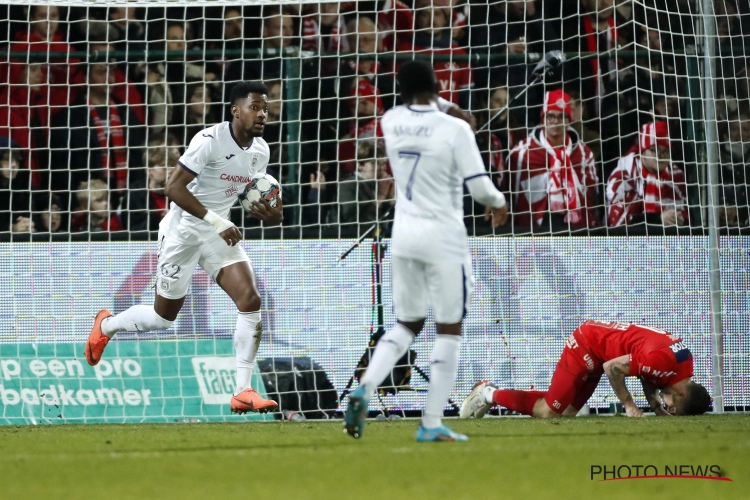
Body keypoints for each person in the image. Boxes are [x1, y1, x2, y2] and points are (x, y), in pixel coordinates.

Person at [84, 81, 283, 416]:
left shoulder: (260, 151)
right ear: (235, 111)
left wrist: (273, 213)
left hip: (218, 234)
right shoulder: (209, 140)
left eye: (265, 107)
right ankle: (107, 325)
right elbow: (172, 187)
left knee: (250, 301)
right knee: (163, 318)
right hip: (183, 232)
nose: (262, 113)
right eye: (254, 107)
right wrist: (217, 222)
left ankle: (242, 390)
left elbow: (254, 195)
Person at [343, 61, 509, 443]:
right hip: (443, 238)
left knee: (406, 323)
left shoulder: (390, 121)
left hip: (403, 236)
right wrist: (499, 203)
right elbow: (481, 188)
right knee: (448, 329)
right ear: (437, 87)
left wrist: (441, 104)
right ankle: (431, 422)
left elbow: (422, 108)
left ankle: (364, 388)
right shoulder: (456, 128)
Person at [460, 320, 711, 419]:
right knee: (548, 412)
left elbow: (649, 374)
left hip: (600, 351)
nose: (669, 408)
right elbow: (613, 368)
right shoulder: (665, 364)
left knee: (564, 415)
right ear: (681, 394)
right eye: (672, 407)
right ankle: (488, 393)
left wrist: (655, 405)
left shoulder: (682, 367)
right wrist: (629, 404)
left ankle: (494, 396)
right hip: (587, 346)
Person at [508, 89, 600, 232]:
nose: (555, 122)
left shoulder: (584, 154)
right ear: (542, 118)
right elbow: (510, 196)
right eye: (550, 116)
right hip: (532, 233)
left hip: (575, 231)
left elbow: (591, 195)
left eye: (561, 117)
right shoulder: (521, 154)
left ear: (570, 119)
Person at [607, 121, 688, 228]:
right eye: (654, 150)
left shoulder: (676, 175)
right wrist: (659, 219)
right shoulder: (623, 176)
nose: (660, 156)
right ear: (642, 152)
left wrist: (678, 219)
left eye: (666, 151)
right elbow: (620, 224)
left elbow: (687, 218)